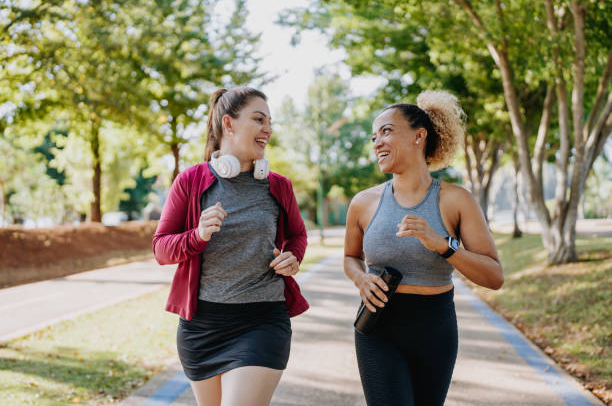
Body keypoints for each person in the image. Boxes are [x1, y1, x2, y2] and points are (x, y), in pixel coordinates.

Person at [344, 90, 504, 406]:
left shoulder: (456, 200)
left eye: (386, 131)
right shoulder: (363, 203)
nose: (376, 142)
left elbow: (494, 277)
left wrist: (443, 246)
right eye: (374, 136)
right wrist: (361, 279)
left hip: (435, 329)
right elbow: (350, 257)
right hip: (379, 326)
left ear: (419, 136)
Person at [152, 86, 309, 406]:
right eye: (258, 119)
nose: (268, 128)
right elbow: (161, 249)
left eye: (270, 121)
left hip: (263, 321)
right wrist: (197, 236)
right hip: (202, 328)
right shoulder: (191, 181)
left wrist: (293, 257)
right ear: (229, 123)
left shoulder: (279, 185)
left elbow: (297, 236)